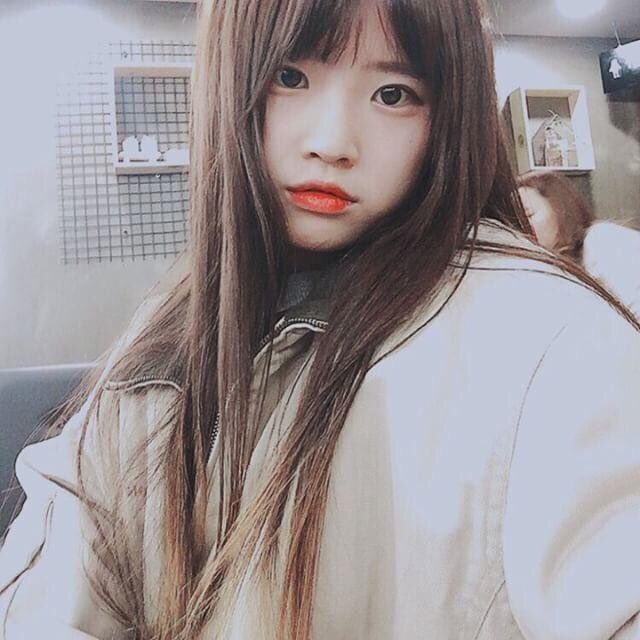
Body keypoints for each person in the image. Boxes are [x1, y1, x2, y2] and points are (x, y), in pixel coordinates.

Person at [1, 1, 639, 639]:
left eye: (393, 94)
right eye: (290, 76)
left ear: (448, 115)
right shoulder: (173, 325)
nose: (331, 142)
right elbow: (47, 591)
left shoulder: (549, 342)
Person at [518, 169, 640, 316]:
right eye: (515, 222)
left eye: (528, 215)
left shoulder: (602, 240)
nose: (522, 227)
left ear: (559, 208)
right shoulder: (547, 268)